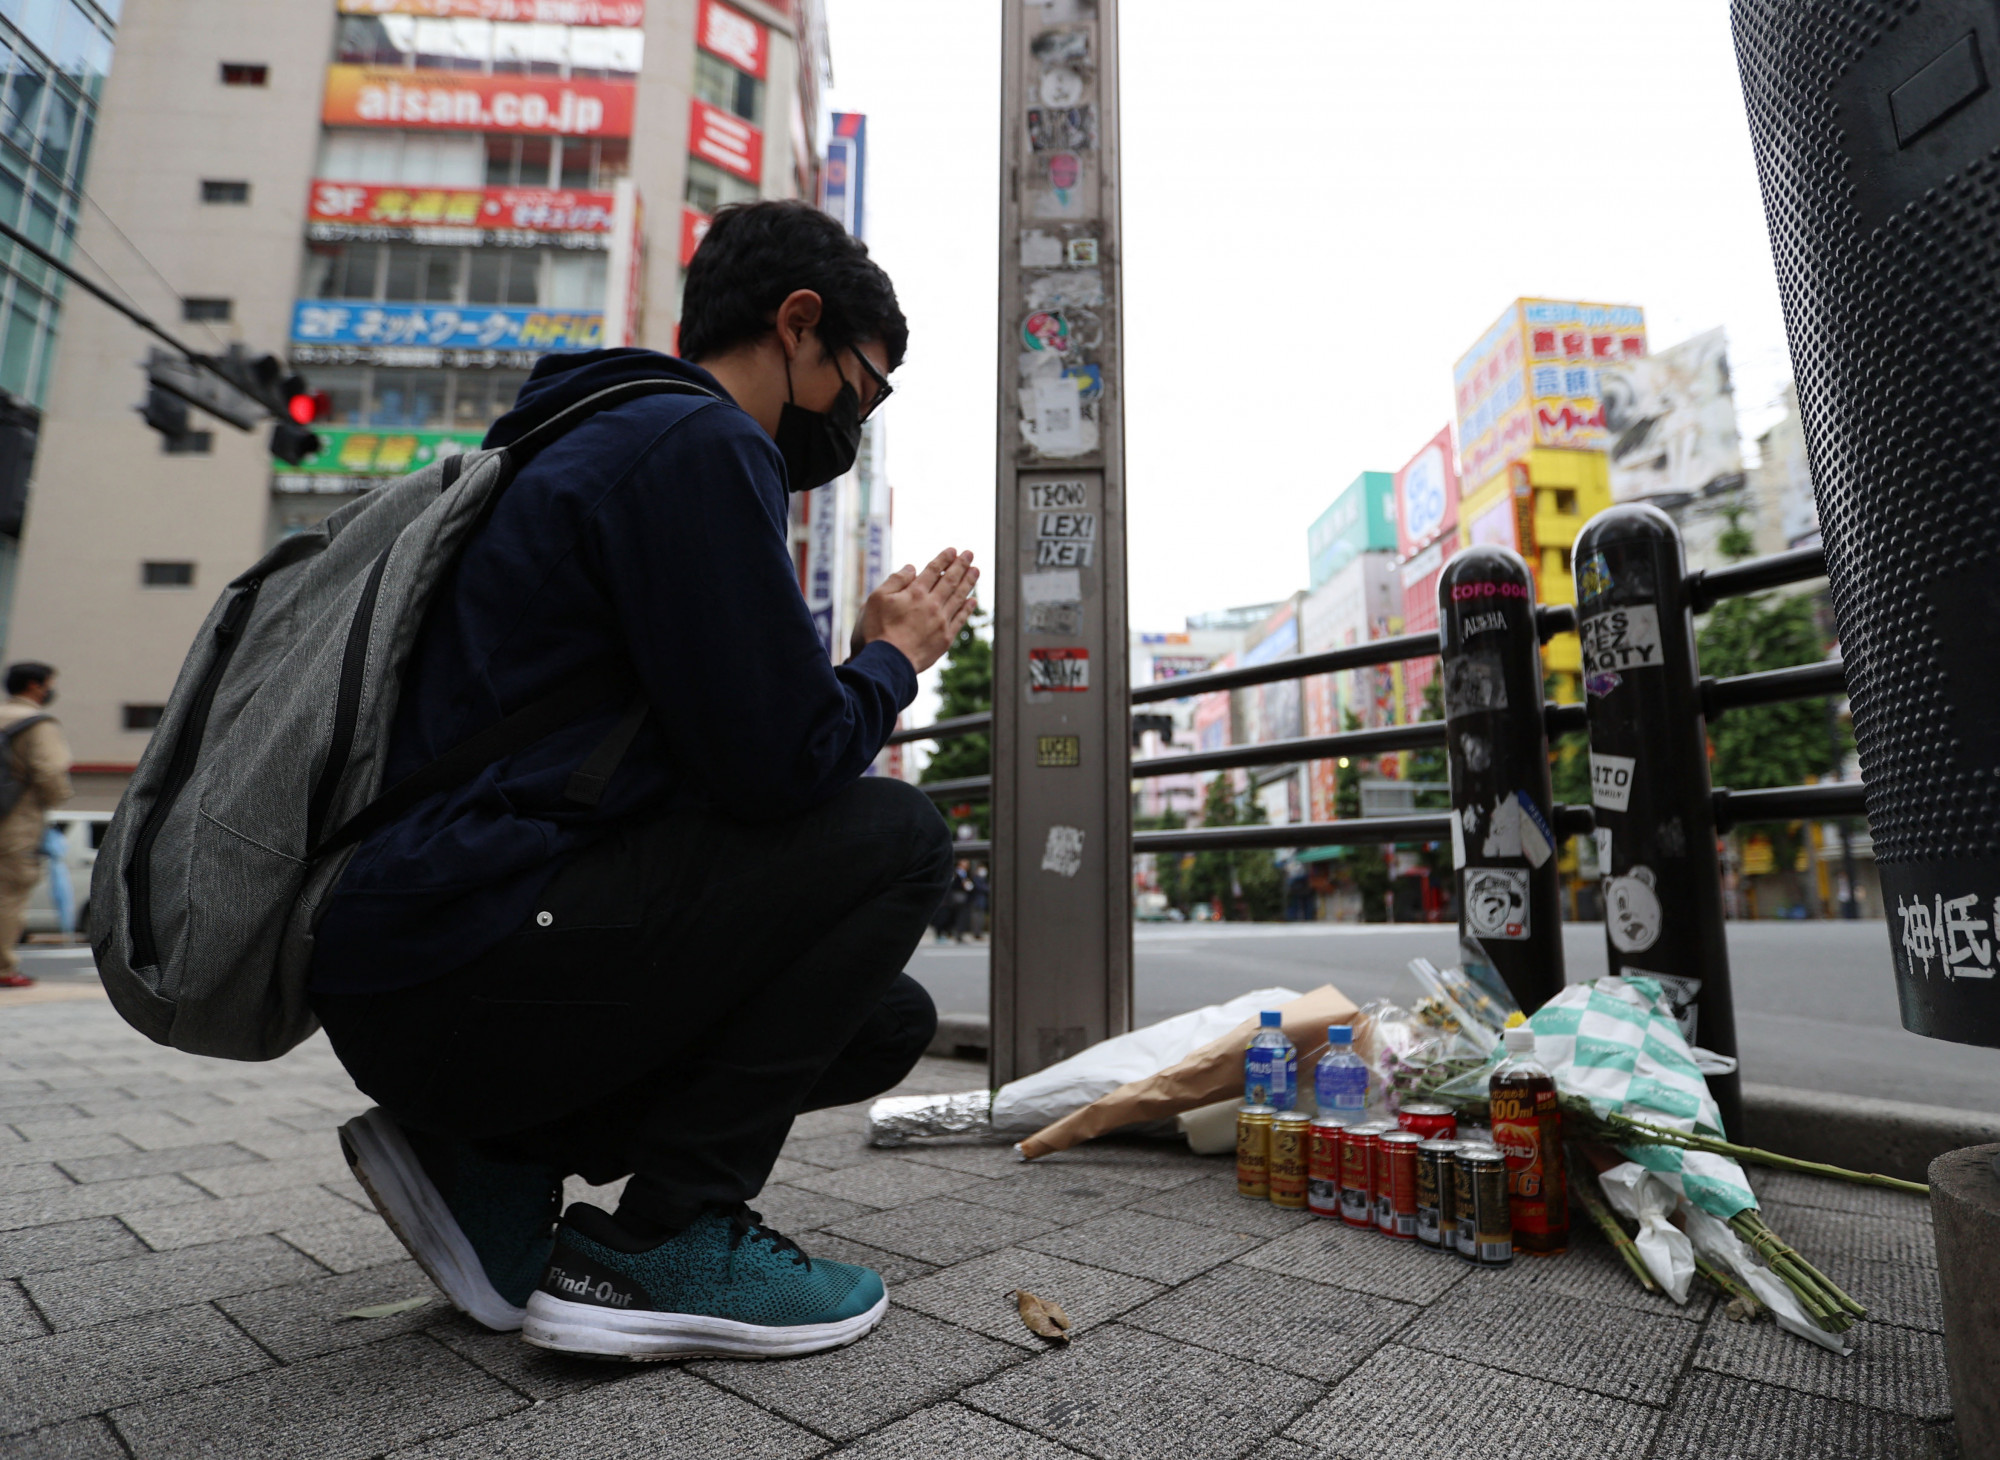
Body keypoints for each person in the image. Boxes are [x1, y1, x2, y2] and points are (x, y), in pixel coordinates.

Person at [311, 201, 976, 1361]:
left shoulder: (588, 434)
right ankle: (670, 1237)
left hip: (429, 949)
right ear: (798, 322)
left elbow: (720, 756)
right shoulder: (696, 443)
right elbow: (780, 771)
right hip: (473, 939)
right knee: (900, 835)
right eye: (862, 386)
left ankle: (489, 1159)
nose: (855, 419)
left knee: (884, 1022)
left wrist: (844, 675)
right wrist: (890, 661)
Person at [0, 663, 70, 988]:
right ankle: (3, 968)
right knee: (9, 896)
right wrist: (57, 798)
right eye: (48, 684)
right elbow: (50, 772)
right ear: (34, 686)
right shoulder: (36, 725)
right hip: (15, 824)